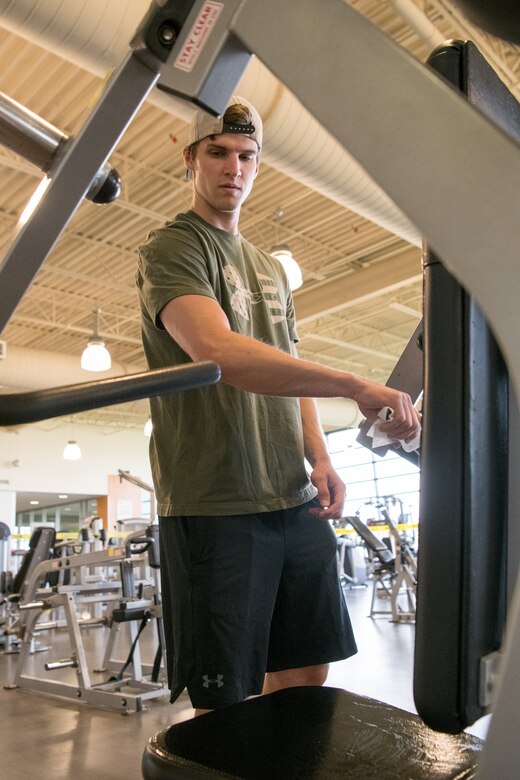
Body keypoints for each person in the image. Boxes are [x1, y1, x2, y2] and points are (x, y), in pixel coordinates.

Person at [136, 95, 421, 716]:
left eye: (246, 156)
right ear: (191, 160)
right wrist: (353, 383)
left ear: (257, 167)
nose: (232, 167)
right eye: (217, 153)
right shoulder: (174, 248)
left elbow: (289, 370)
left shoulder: (269, 269)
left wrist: (319, 456)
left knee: (305, 668)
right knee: (227, 697)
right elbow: (220, 352)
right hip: (217, 500)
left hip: (292, 498)